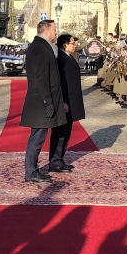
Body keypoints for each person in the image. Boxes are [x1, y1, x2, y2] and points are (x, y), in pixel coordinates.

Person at [18, 20, 68, 183]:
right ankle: (31, 172)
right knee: (37, 138)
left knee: (38, 137)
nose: (56, 32)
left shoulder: (41, 46)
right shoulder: (39, 48)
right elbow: (40, 78)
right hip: (40, 102)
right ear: (46, 31)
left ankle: (32, 170)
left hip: (42, 100)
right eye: (54, 29)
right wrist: (48, 102)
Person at [51, 33, 85, 172]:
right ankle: (55, 161)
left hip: (72, 100)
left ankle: (60, 159)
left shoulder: (68, 56)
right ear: (65, 44)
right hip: (66, 101)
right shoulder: (60, 58)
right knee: (60, 133)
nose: (75, 44)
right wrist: (63, 101)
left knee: (67, 132)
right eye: (72, 42)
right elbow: (61, 83)